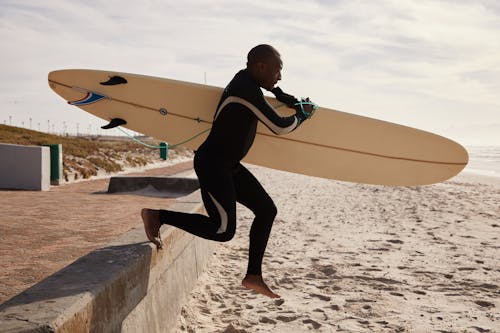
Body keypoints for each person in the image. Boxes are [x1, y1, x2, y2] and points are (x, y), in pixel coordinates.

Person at [142, 44, 315, 298]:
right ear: (261, 66)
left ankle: (254, 276)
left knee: (267, 210)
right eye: (278, 71)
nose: (280, 76)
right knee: (223, 230)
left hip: (229, 165)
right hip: (213, 165)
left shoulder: (247, 82)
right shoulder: (244, 89)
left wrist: (282, 95)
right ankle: (157, 216)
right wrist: (301, 115)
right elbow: (279, 126)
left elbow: (266, 94)